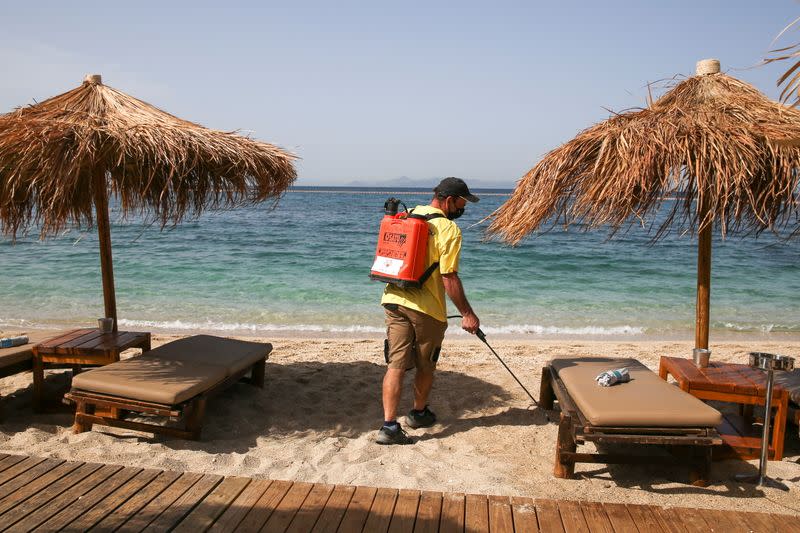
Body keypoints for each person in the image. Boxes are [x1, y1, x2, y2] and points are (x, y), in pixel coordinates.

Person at [376, 177, 481, 445]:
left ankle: (388, 427)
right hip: (427, 310)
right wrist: (467, 314)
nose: (463, 207)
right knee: (426, 366)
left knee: (396, 364)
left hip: (393, 299)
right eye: (462, 202)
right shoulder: (449, 229)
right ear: (448, 200)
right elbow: (449, 278)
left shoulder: (407, 214)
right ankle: (418, 413)